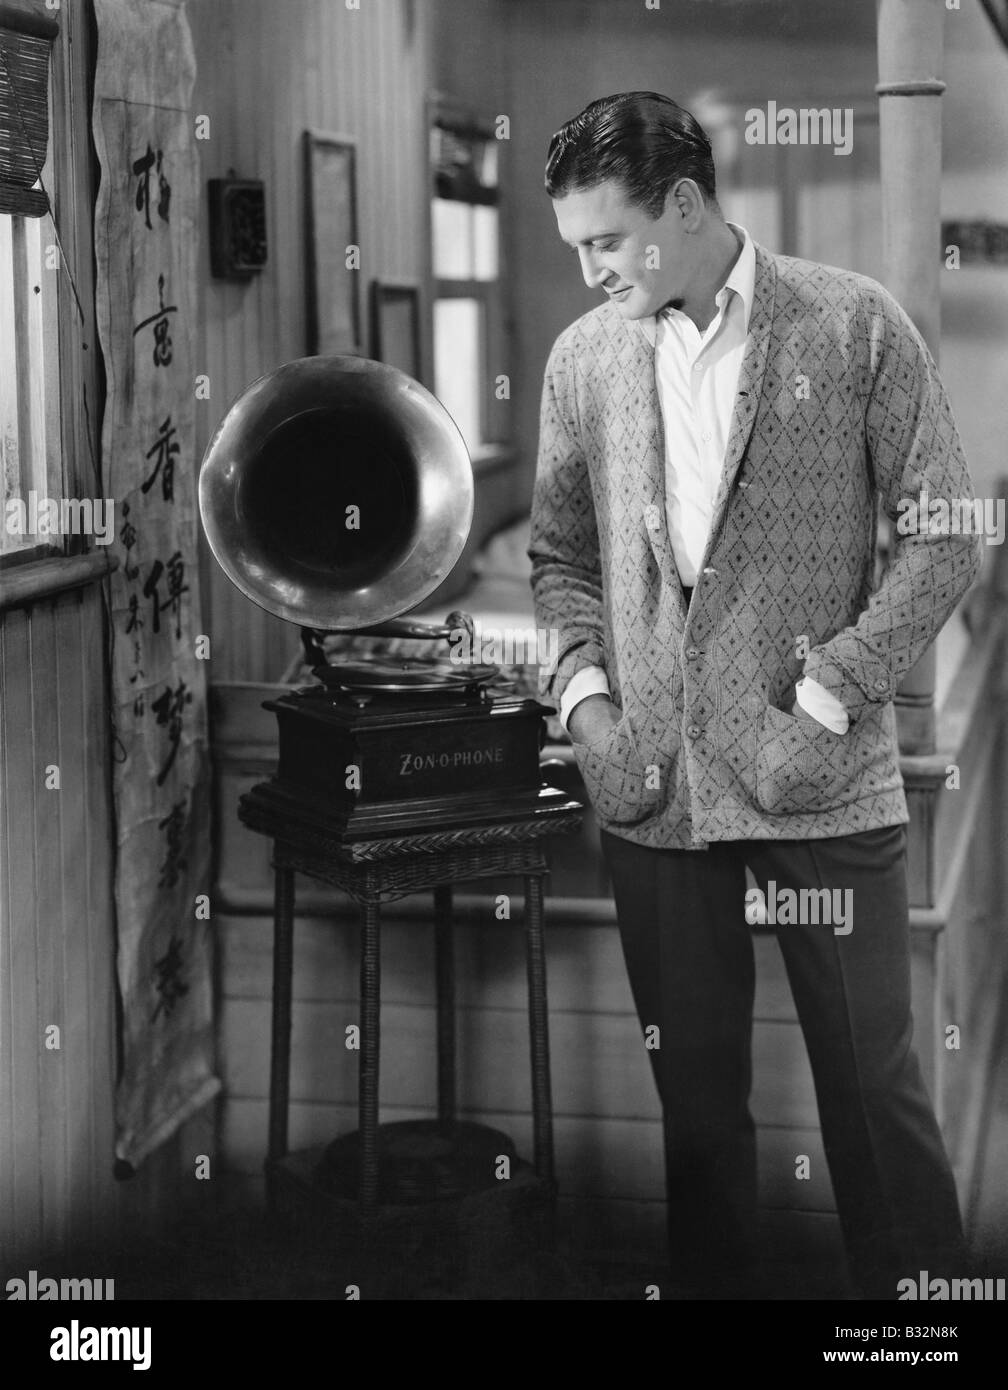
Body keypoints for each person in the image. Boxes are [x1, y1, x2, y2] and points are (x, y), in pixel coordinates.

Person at [528, 91, 981, 1300]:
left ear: (685, 204)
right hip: (654, 795)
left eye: (608, 239)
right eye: (575, 243)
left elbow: (946, 540)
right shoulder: (584, 359)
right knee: (699, 1120)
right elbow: (561, 563)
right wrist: (590, 716)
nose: (589, 268)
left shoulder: (854, 325)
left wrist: (828, 698)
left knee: (875, 1099)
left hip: (824, 789)